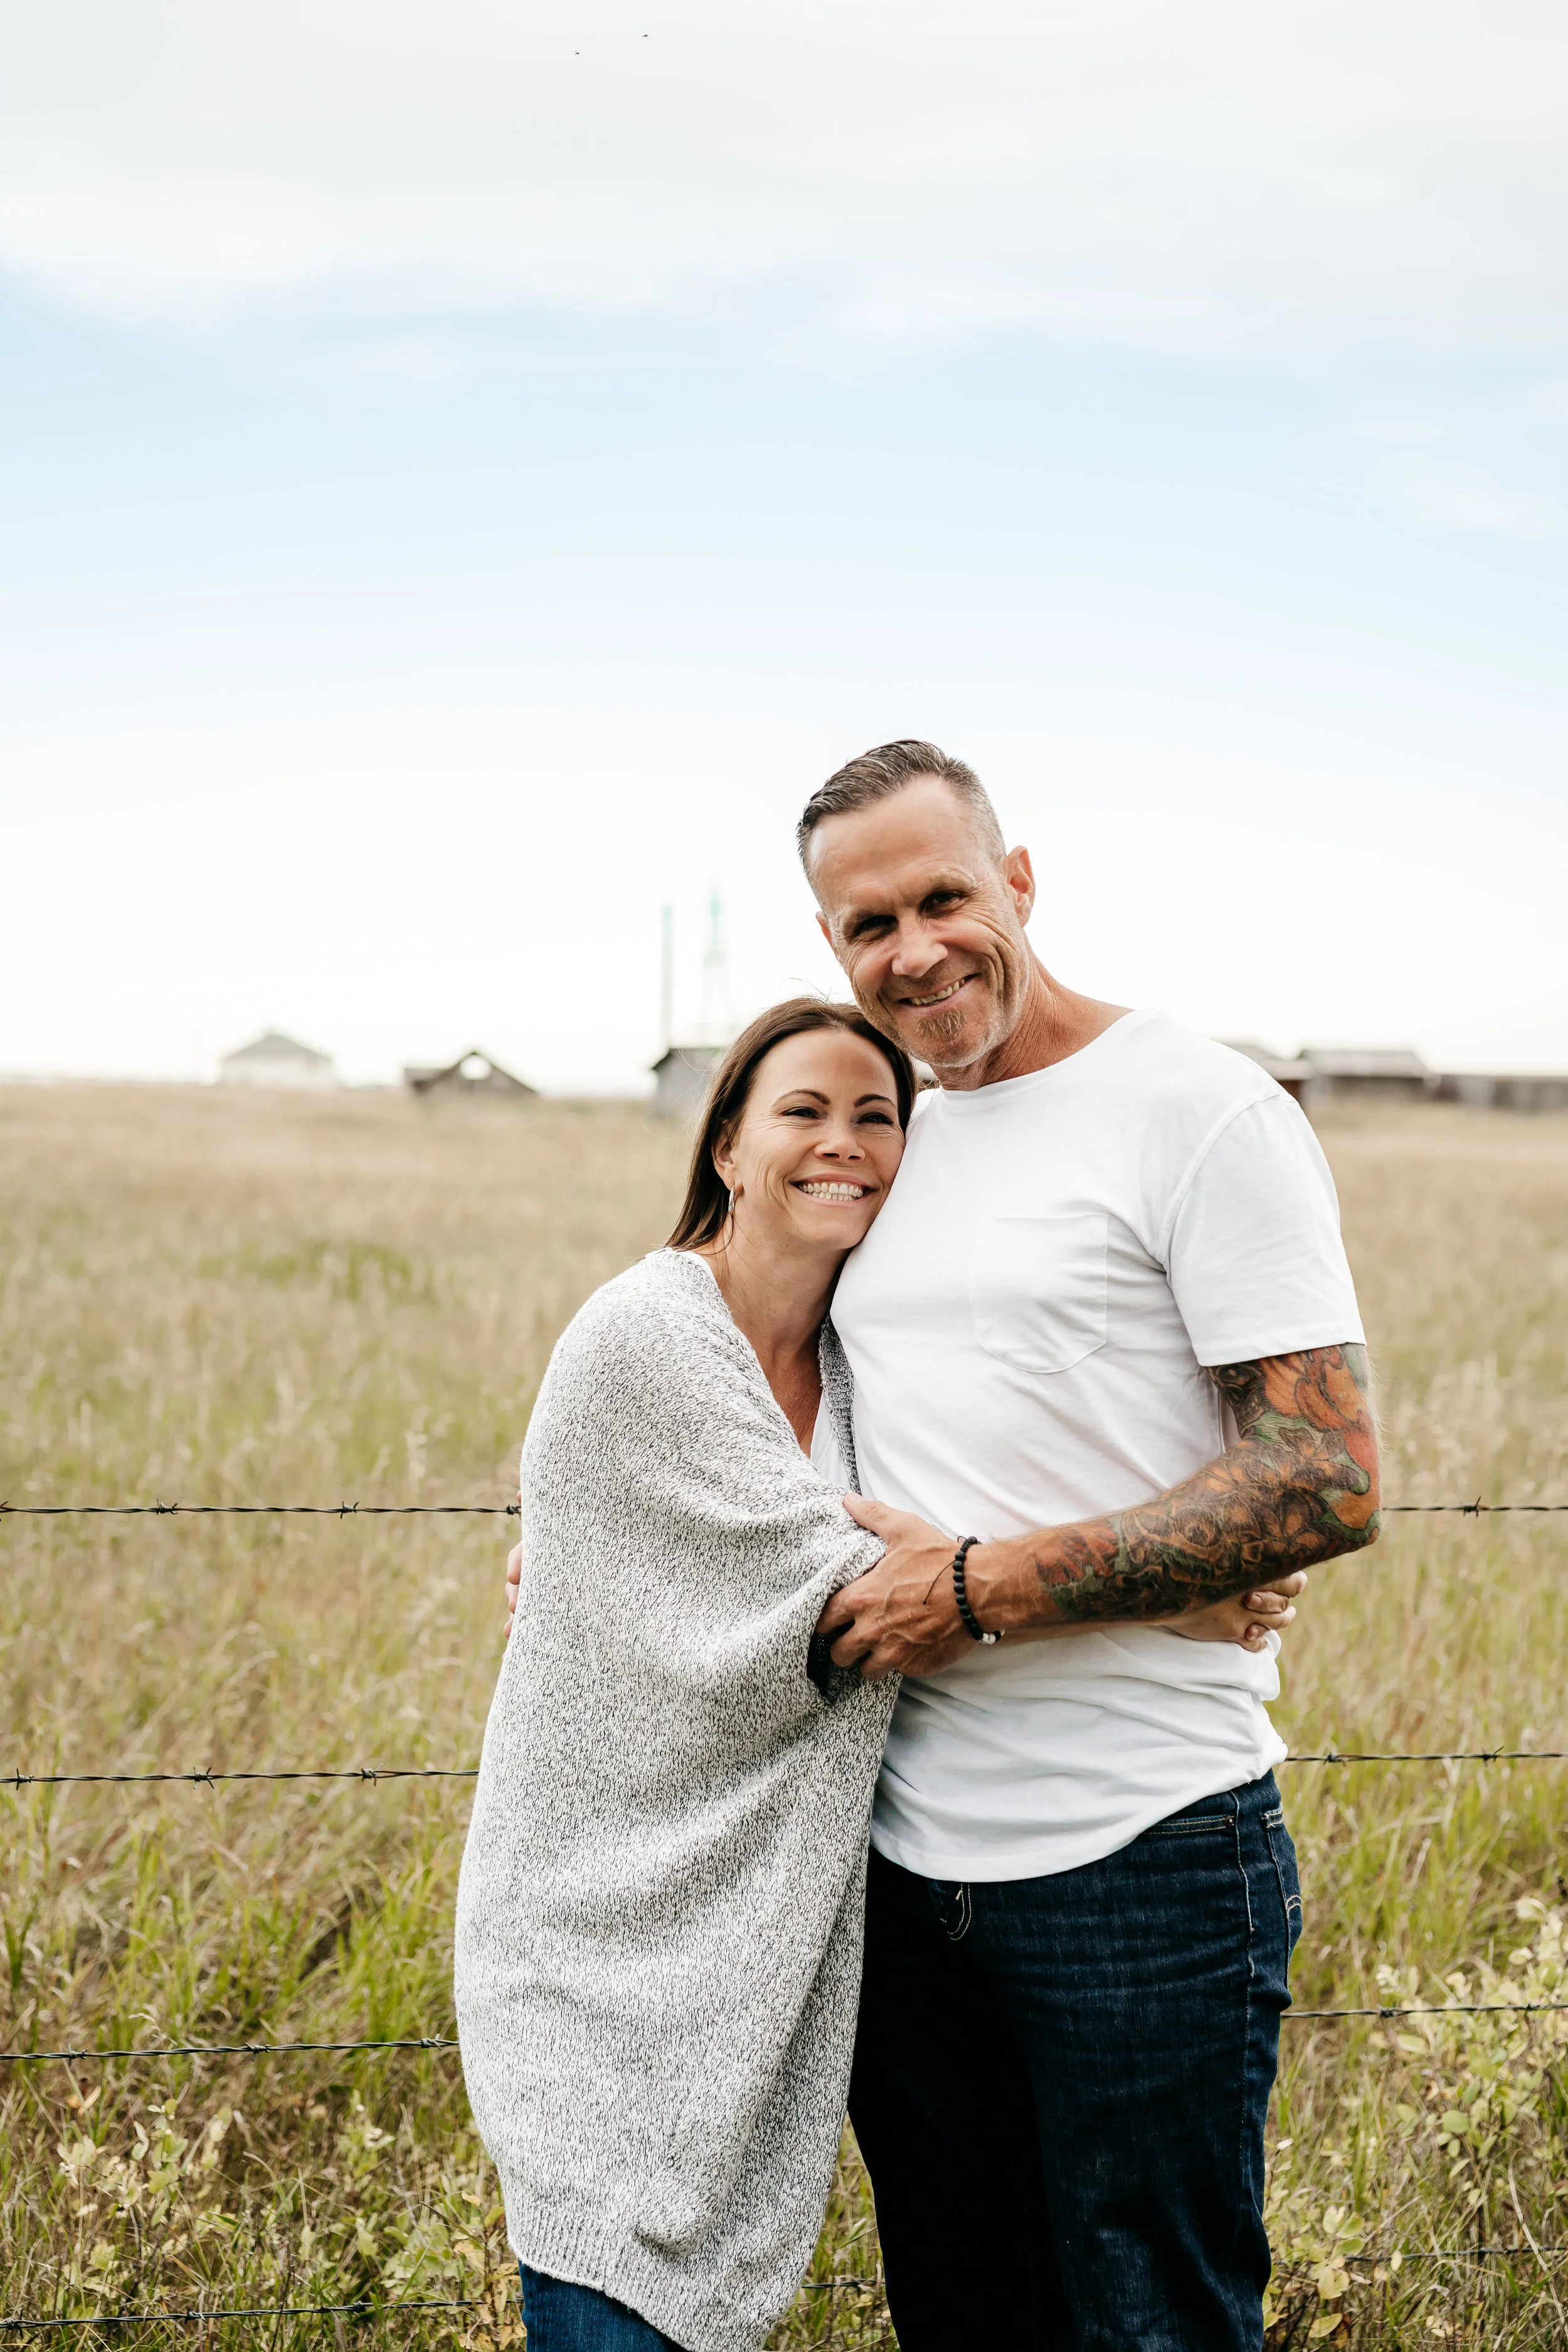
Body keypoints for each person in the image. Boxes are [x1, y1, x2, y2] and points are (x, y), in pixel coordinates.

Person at [472, 997, 1301, 2352]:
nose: (844, 1144)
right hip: (606, 1953)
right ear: (726, 1147)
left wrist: (1123, 1574)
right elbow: (855, 1599)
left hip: (776, 1940)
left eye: (877, 1117)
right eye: (801, 1111)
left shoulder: (867, 1364)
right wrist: (1184, 1590)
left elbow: (934, 1535)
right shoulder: (645, 1337)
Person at [804, 741, 1382, 2352]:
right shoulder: (885, 1136)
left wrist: (986, 1589)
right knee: (964, 2318)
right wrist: (593, 1550)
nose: (911, 948)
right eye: (865, 925)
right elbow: (772, 1380)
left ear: (1020, 885)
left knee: (1153, 2326)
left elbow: (1320, 1481)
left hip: (1141, 1853)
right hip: (900, 1865)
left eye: (941, 896)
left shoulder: (1195, 1108)